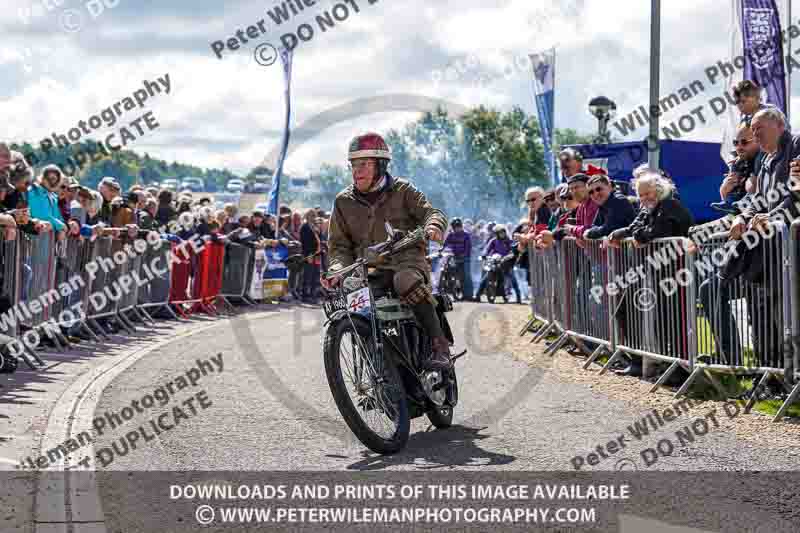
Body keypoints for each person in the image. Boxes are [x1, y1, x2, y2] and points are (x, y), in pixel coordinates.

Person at [322, 132, 451, 371]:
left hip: (407, 262)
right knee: (353, 297)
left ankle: (439, 346)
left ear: (380, 165)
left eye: (364, 164)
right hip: (368, 270)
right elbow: (339, 246)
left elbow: (431, 212)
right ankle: (373, 370)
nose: (356, 171)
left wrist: (433, 226)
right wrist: (338, 269)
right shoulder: (343, 201)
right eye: (353, 165)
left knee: (404, 280)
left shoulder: (403, 190)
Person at [608, 171, 694, 376]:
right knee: (634, 312)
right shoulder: (650, 208)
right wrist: (619, 233)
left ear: (659, 190)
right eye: (641, 195)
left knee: (674, 320)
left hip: (677, 270)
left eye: (648, 193)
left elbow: (657, 231)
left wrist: (639, 235)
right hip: (654, 270)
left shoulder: (670, 205)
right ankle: (642, 361)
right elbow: (636, 227)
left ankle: (681, 369)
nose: (645, 198)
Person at [711, 123, 761, 215]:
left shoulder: (765, 160)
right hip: (740, 219)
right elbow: (733, 212)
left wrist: (751, 185)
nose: (739, 147)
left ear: (758, 140)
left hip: (757, 219)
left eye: (744, 142)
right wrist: (724, 192)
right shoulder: (739, 163)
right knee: (694, 230)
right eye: (735, 142)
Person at [475, 225, 521, 304]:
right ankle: (477, 295)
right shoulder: (493, 241)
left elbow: (513, 251)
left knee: (512, 277)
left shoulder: (509, 241)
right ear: (496, 234)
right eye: (500, 233)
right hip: (494, 262)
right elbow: (487, 248)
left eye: (503, 232)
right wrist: (484, 255)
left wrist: (508, 257)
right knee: (485, 278)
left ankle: (518, 296)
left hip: (506, 263)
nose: (502, 234)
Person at [582, 174, 637, 240]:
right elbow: (594, 226)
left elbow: (608, 228)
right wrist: (591, 231)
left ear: (609, 187)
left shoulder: (618, 200)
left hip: (633, 247)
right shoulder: (603, 204)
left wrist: (589, 233)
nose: (596, 194)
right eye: (591, 192)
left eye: (598, 189)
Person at [442, 217, 473, 300]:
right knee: (449, 272)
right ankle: (448, 291)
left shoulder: (466, 235)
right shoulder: (450, 235)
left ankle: (469, 295)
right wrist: (441, 250)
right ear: (453, 227)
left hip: (465, 258)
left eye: (459, 226)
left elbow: (468, 248)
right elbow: (445, 244)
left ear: (461, 226)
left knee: (466, 276)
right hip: (454, 257)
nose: (457, 228)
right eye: (455, 227)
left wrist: (464, 255)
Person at [300, 208, 322, 303]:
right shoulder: (305, 227)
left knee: (315, 275)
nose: (313, 217)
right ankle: (305, 296)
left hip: (317, 254)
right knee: (307, 276)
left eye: (314, 215)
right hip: (309, 253)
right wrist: (308, 255)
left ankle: (314, 295)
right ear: (307, 216)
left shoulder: (314, 227)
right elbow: (305, 242)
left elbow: (319, 239)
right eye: (311, 215)